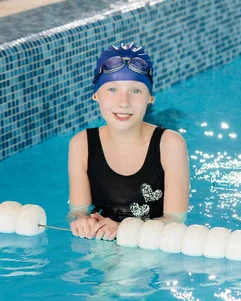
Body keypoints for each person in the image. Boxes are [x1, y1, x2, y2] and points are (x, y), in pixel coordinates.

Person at [68, 43, 189, 240]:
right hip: (104, 238)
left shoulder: (170, 144)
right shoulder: (81, 144)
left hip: (154, 240)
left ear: (150, 98)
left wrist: (122, 228)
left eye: (135, 91)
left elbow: (175, 219)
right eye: (113, 90)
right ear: (96, 95)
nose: (124, 102)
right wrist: (83, 221)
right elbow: (78, 211)